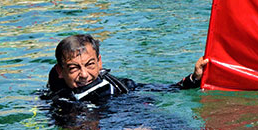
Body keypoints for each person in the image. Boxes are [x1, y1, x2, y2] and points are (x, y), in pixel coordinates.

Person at [43, 34, 206, 103]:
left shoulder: (119, 85)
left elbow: (167, 89)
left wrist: (194, 78)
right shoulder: (61, 101)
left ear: (99, 62)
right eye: (74, 68)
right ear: (60, 71)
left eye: (90, 65)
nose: (84, 75)